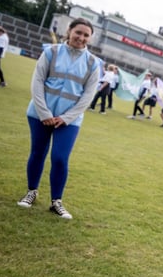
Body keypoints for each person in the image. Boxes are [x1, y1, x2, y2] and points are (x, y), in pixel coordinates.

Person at [17, 18, 101, 219]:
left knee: (60, 158)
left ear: (90, 38)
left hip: (69, 120)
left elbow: (88, 95)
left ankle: (56, 202)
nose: (81, 37)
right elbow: (37, 82)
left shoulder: (93, 63)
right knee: (38, 153)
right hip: (39, 115)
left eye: (86, 35)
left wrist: (67, 117)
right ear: (69, 31)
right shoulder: (51, 52)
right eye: (78, 32)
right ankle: (31, 192)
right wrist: (44, 113)